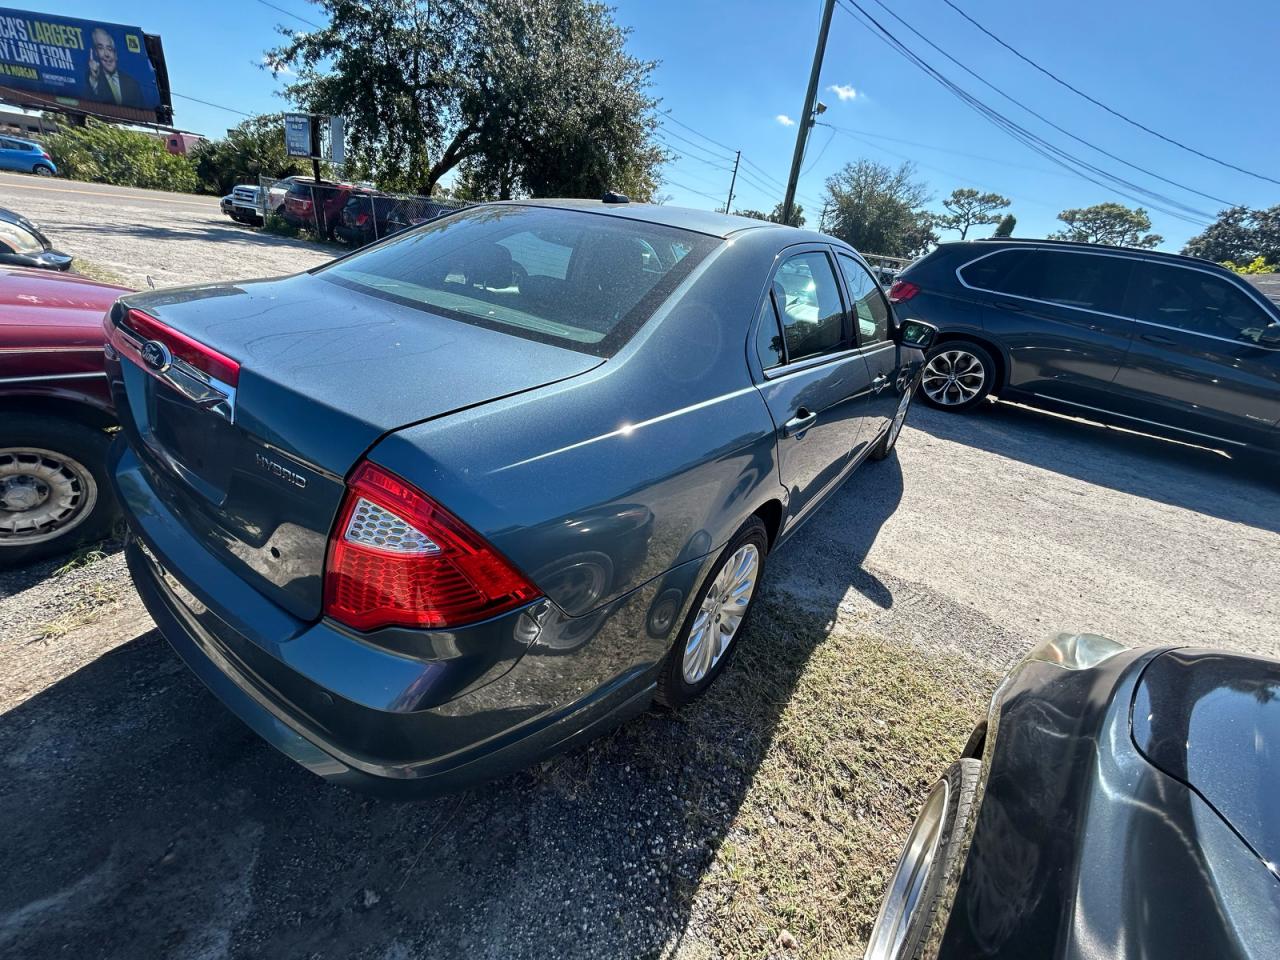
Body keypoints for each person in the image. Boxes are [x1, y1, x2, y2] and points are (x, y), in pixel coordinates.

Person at [85, 28, 144, 108]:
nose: (106, 54)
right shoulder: (91, 79)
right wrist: (94, 80)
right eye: (100, 48)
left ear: (116, 54)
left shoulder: (133, 84)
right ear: (96, 53)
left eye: (109, 49)